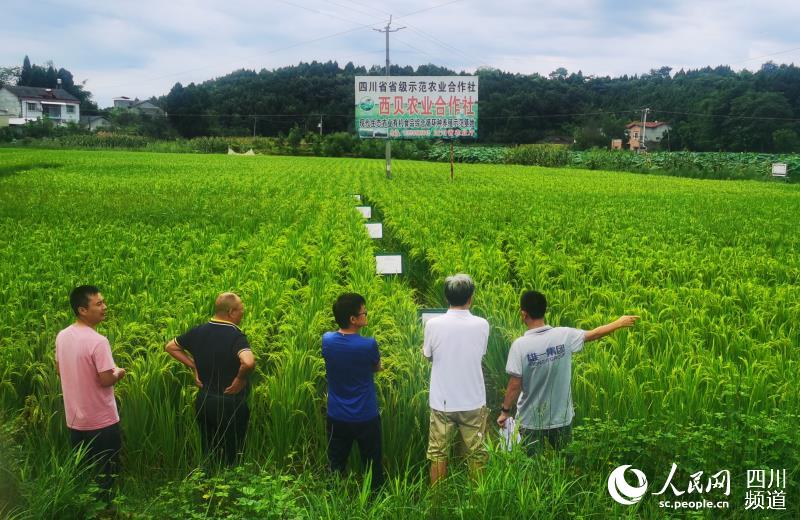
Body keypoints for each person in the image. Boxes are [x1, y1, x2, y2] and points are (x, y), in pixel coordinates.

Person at [497, 290, 639, 455]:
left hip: (531, 421)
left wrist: (505, 411)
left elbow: (515, 384)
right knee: (565, 462)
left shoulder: (520, 345)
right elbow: (594, 334)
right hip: (561, 417)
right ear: (545, 310)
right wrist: (618, 322)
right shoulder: (564, 335)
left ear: (523, 314)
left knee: (531, 466)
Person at [165, 292, 255, 467]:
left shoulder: (198, 331)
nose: (243, 313)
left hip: (204, 401)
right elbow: (249, 362)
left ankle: (207, 487)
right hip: (230, 404)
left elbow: (170, 347)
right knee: (233, 457)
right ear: (231, 312)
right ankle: (232, 490)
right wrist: (240, 379)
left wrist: (194, 366)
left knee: (209, 454)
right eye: (241, 310)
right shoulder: (236, 336)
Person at [55, 285, 125, 496]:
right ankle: (106, 511)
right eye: (99, 304)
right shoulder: (98, 341)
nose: (104, 307)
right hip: (102, 421)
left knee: (84, 474)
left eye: (103, 302)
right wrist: (119, 372)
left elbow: (59, 370)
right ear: (82, 310)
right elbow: (105, 379)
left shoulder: (62, 335)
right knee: (106, 476)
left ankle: (84, 509)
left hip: (75, 420)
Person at [423, 273, 490, 485]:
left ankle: (437, 502)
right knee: (477, 453)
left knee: (438, 453)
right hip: (473, 400)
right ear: (470, 298)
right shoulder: (482, 324)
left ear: (446, 297)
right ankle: (478, 502)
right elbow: (480, 354)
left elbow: (428, 355)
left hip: (442, 401)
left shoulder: (433, 324)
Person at [321, 293, 384, 490]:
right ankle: (375, 499)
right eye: (364, 312)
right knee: (372, 463)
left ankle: (334, 499)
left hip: (337, 414)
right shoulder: (368, 344)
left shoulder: (327, 340)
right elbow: (376, 367)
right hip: (366, 415)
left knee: (336, 463)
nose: (366, 315)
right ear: (353, 319)